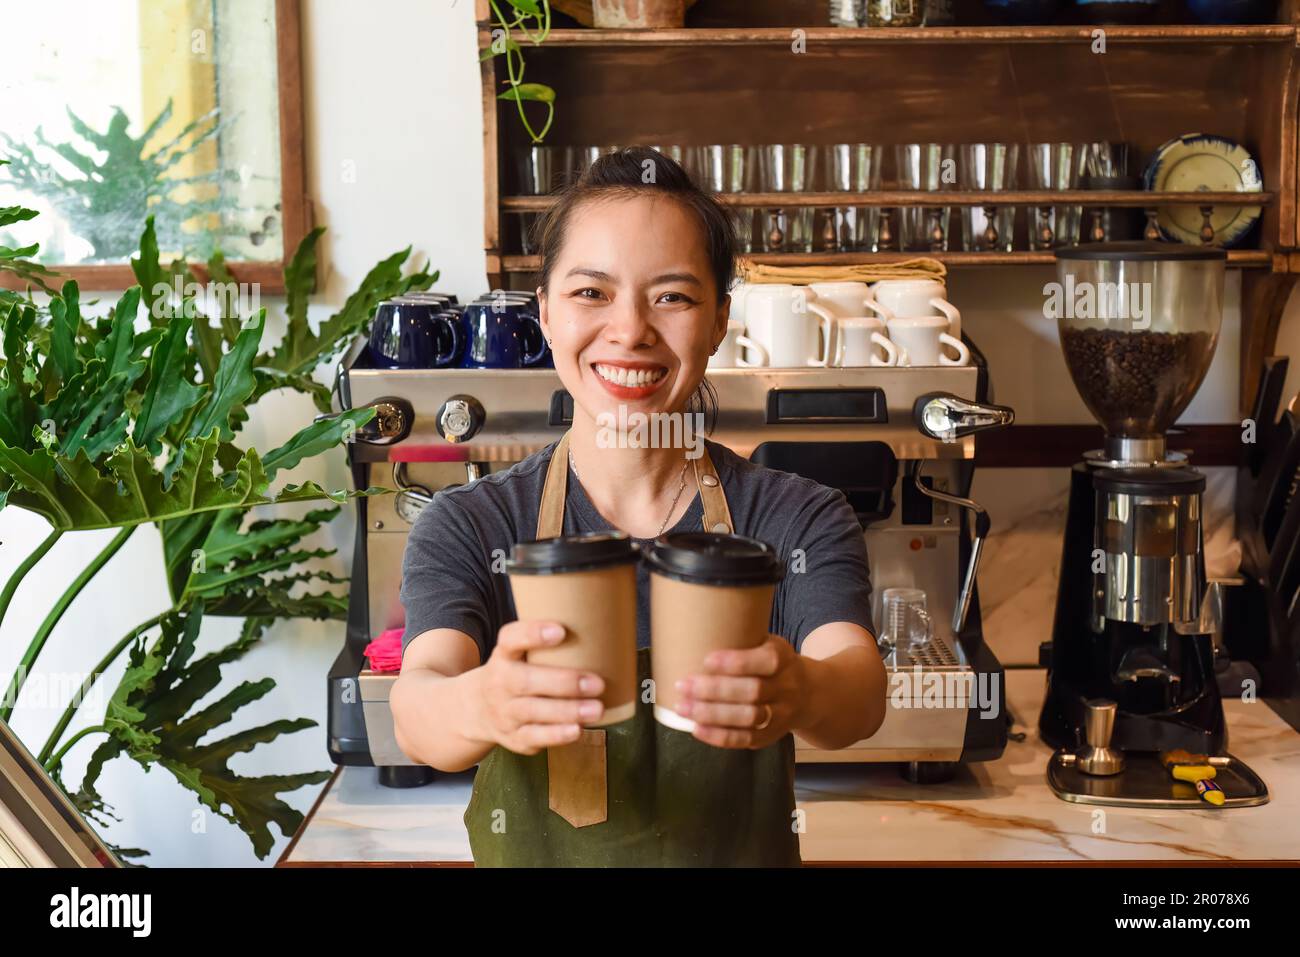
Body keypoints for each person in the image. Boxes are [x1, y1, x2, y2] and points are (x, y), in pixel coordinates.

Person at [391, 146, 886, 866]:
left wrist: (801, 689)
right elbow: (417, 709)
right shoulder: (472, 524)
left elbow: (859, 690)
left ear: (719, 320)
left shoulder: (796, 517)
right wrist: (484, 702)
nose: (629, 330)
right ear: (547, 316)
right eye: (591, 292)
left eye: (673, 296)